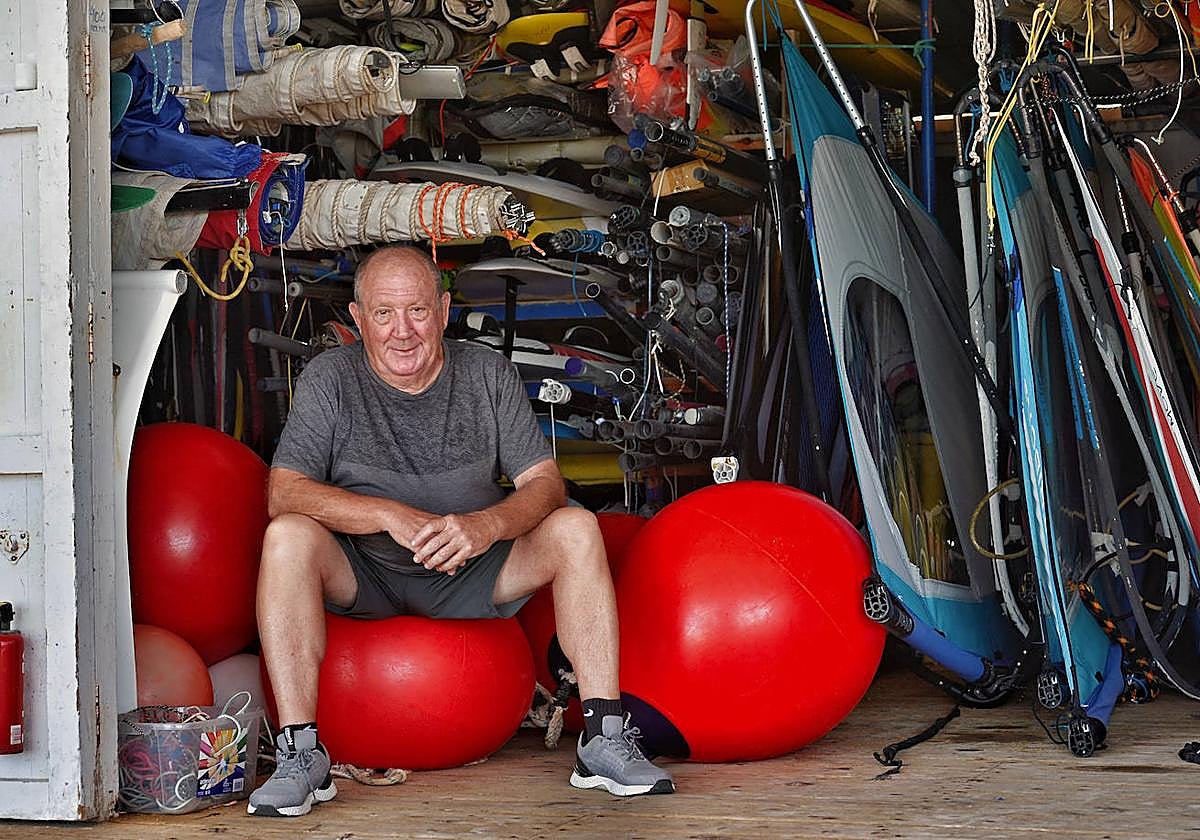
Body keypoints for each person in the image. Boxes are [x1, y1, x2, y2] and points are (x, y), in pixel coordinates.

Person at [248, 246, 674, 817]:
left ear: (444, 310)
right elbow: (285, 492)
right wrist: (386, 514)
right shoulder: (330, 377)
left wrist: (486, 526)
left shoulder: (485, 372)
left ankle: (601, 739)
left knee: (575, 527)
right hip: (364, 572)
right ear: (357, 318)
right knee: (287, 537)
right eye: (383, 314)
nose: (402, 331)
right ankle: (302, 754)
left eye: (418, 311)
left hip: (474, 570)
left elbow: (545, 484)